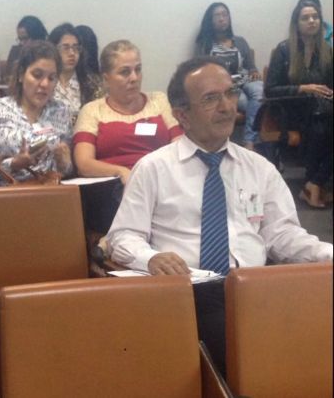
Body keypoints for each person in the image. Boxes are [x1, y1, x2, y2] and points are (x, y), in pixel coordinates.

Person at [106, 56, 333, 373]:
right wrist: (152, 258)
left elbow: (283, 235)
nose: (227, 106)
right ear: (182, 115)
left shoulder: (259, 168)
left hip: (254, 291)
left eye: (229, 93)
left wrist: (327, 253)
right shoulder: (154, 168)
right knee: (251, 347)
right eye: (210, 98)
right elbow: (122, 236)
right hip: (189, 293)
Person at [74, 40, 182, 184]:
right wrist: (121, 171)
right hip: (114, 186)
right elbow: (84, 164)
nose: (134, 78)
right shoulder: (92, 110)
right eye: (125, 72)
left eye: (138, 69)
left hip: (160, 180)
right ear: (106, 79)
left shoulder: (159, 100)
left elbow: (180, 147)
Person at [0, 40, 73, 185]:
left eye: (51, 78)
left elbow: (66, 171)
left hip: (48, 190)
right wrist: (13, 163)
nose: (45, 84)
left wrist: (65, 162)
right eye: (37, 75)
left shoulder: (61, 111)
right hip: (7, 192)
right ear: (21, 75)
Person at [266, 0, 333, 208]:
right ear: (296, 23)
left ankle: (314, 183)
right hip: (290, 108)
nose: (312, 21)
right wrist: (303, 88)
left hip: (321, 109)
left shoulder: (327, 51)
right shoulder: (284, 50)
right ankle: (314, 184)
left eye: (315, 17)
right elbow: (270, 90)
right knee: (320, 127)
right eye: (305, 18)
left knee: (322, 123)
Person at [195, 2, 265, 151]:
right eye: (217, 16)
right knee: (249, 104)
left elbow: (250, 66)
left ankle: (249, 141)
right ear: (210, 20)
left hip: (245, 81)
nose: (222, 19)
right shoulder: (205, 45)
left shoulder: (240, 41)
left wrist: (254, 71)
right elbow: (202, 71)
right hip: (225, 87)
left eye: (225, 15)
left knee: (260, 90)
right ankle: (250, 142)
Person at [48, 23, 102, 122]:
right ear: (53, 49)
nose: (72, 53)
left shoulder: (92, 84)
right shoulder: (45, 81)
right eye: (65, 48)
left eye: (76, 48)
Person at [4, 15, 48, 84]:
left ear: (37, 37)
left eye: (25, 38)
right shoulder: (15, 52)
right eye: (20, 39)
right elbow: (8, 78)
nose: (22, 43)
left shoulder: (49, 54)